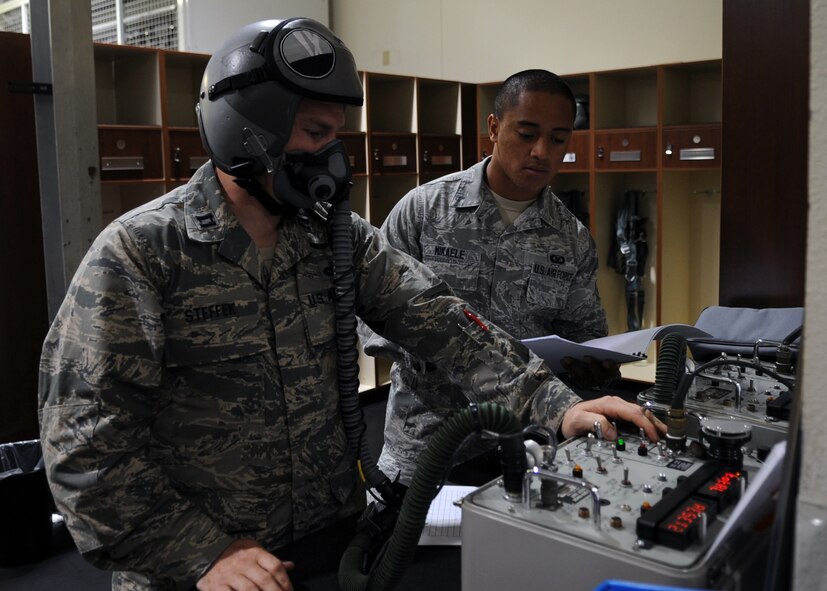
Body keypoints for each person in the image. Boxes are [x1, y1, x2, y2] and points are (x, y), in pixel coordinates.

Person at [38, 19, 663, 591]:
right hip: (200, 571)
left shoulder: (336, 237)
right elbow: (84, 447)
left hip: (327, 550)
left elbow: (448, 326)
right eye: (316, 134)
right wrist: (200, 551)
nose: (332, 159)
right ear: (247, 129)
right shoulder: (141, 252)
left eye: (336, 137)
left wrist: (559, 408)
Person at [363, 69, 641, 485]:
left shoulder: (571, 239)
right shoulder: (423, 211)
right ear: (493, 128)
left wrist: (594, 364)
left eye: (558, 139)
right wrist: (454, 355)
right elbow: (373, 323)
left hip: (524, 449)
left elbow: (584, 339)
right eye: (527, 134)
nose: (542, 152)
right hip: (424, 449)